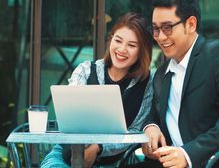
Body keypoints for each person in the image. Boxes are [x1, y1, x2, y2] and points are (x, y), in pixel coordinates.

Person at [130, 0, 219, 168]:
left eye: (167, 28)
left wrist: (188, 153)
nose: (161, 37)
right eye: (155, 29)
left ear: (191, 24)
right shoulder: (161, 74)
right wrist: (151, 127)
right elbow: (154, 115)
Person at [41, 12, 154, 168]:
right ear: (111, 40)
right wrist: (85, 148)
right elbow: (69, 117)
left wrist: (98, 147)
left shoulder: (147, 83)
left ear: (142, 51)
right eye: (118, 40)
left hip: (112, 163)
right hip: (65, 157)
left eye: (132, 45)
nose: (122, 49)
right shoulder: (86, 70)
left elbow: (135, 131)